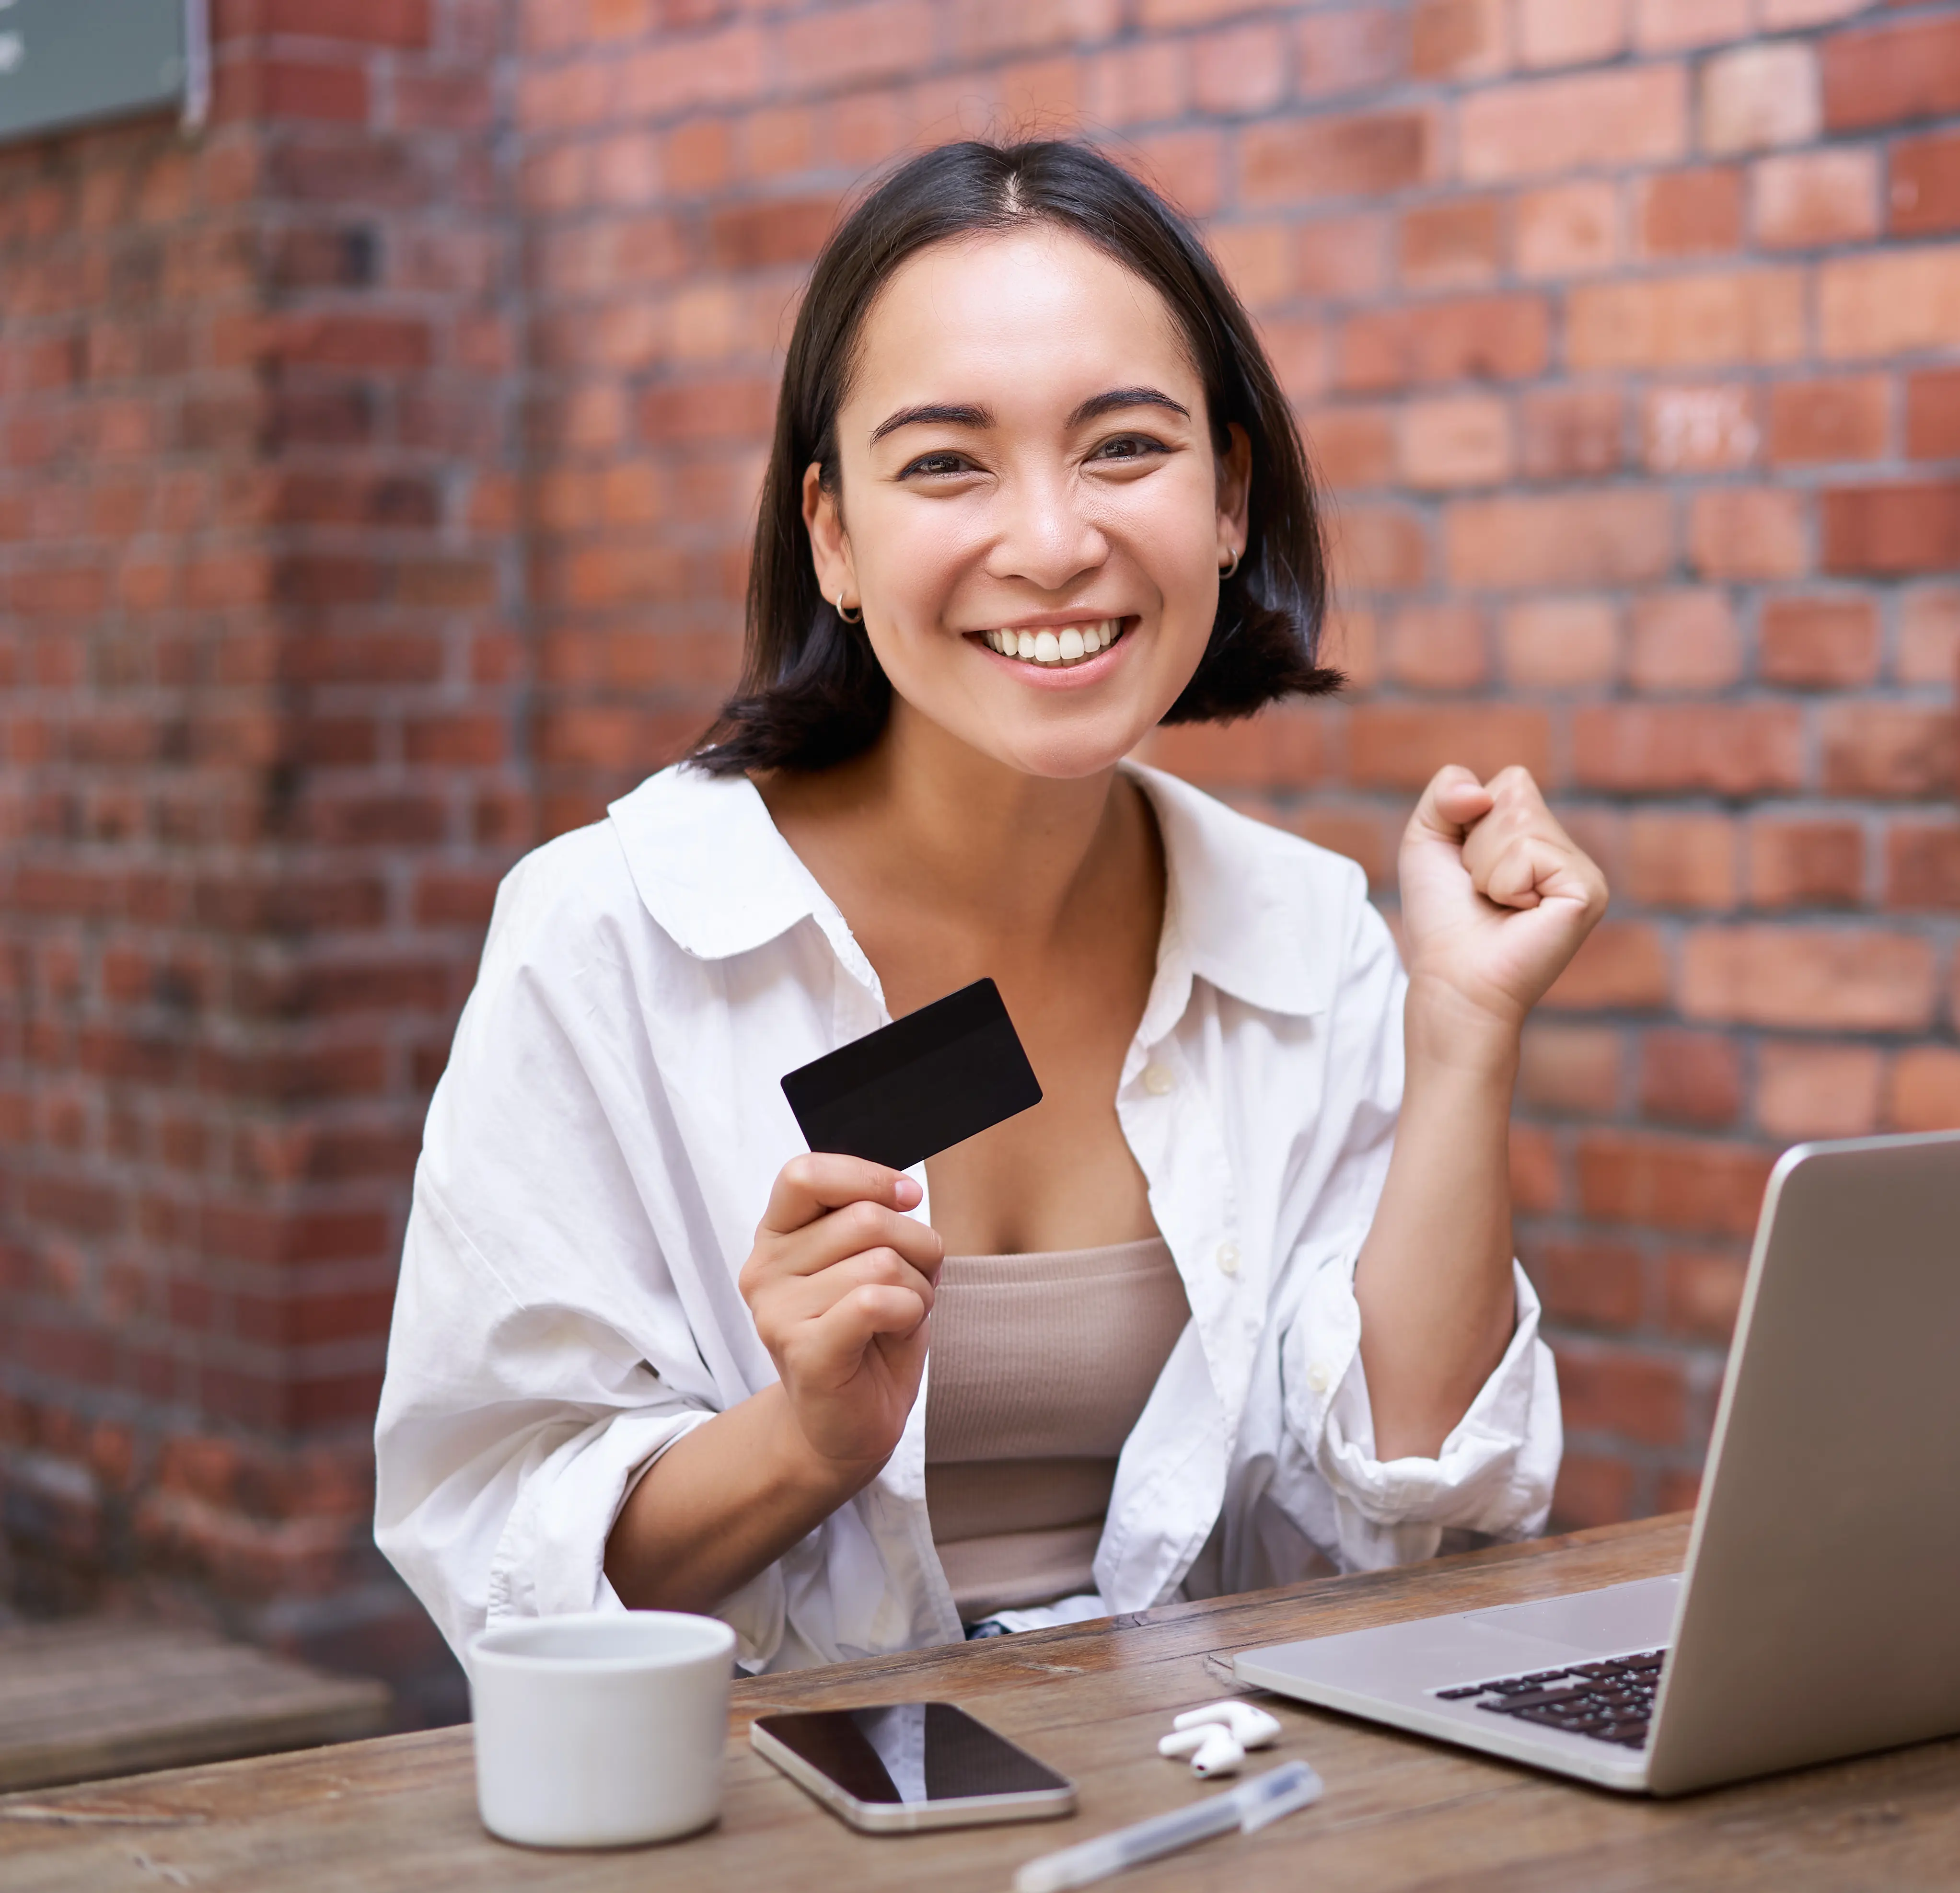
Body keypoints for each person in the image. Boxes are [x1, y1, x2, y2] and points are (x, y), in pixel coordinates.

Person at [372, 139, 1601, 1672]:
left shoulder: (1305, 937)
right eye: (948, 461)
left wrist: (1467, 1030)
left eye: (1124, 448)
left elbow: (1412, 1503)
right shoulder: (608, 933)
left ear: (1228, 495)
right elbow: (493, 1542)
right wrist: (808, 1438)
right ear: (831, 533)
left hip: (1214, 1809)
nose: (1051, 543)